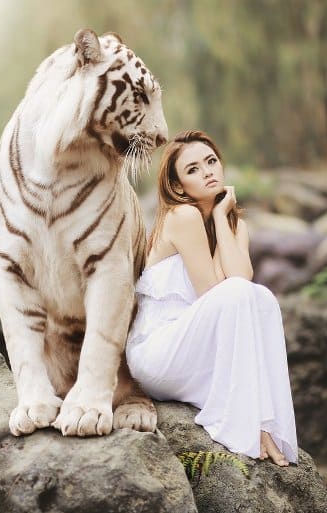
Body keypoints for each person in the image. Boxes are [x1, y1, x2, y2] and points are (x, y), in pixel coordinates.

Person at [127, 129, 298, 466]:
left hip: (197, 349)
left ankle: (262, 422)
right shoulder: (182, 216)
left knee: (262, 299)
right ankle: (250, 423)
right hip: (158, 352)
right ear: (178, 186)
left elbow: (241, 282)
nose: (207, 171)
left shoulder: (235, 226)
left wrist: (221, 218)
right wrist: (218, 219)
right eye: (193, 169)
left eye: (211, 161)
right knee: (239, 294)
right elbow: (216, 292)